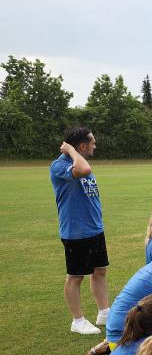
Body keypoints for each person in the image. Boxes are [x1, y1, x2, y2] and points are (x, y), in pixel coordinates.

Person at [50, 127, 109, 336]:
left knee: (100, 270)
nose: (95, 145)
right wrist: (71, 151)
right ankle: (78, 320)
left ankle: (104, 313)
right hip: (76, 232)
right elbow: (84, 170)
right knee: (76, 277)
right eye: (91, 142)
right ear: (81, 146)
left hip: (95, 229)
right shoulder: (60, 165)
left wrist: (74, 152)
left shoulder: (78, 161)